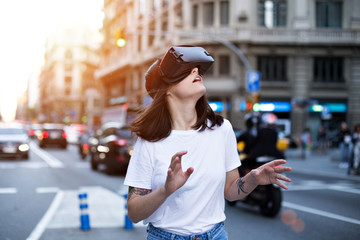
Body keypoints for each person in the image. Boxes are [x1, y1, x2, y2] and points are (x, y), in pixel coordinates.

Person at [124, 46, 292, 240]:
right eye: (186, 71)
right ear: (167, 89)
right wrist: (166, 190)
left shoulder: (222, 129)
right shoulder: (150, 140)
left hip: (216, 235)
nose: (196, 72)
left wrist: (253, 179)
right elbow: (134, 213)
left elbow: (231, 191)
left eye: (196, 69)